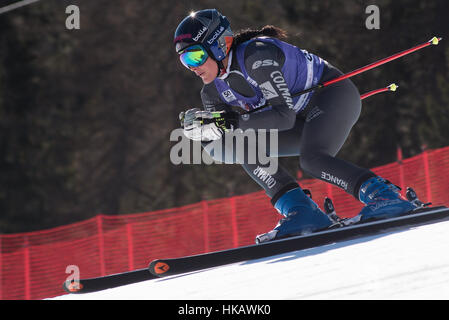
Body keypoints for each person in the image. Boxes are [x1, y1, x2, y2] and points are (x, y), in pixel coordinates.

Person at [173, 9, 417, 243]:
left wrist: (233, 122)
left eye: (195, 56)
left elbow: (283, 117)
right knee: (240, 145)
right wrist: (208, 132)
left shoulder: (257, 57)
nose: (192, 67)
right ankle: (300, 210)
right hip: (300, 119)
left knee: (313, 159)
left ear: (218, 45)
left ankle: (384, 196)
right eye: (185, 60)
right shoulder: (212, 91)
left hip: (332, 97)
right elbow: (229, 135)